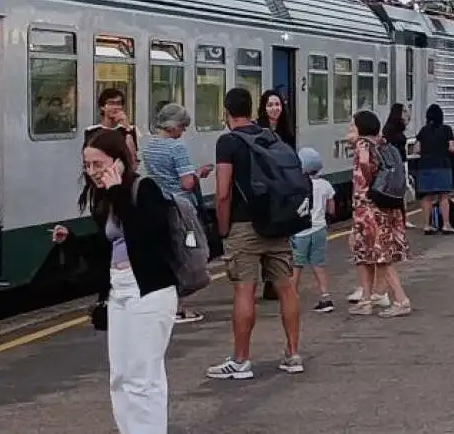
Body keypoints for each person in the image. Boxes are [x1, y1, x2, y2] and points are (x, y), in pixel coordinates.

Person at [52, 128, 178, 434]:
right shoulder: (105, 197)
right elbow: (105, 247)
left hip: (149, 291)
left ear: (119, 161)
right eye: (87, 165)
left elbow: (149, 238)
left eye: (99, 164)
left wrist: (118, 192)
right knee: (120, 377)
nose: (92, 172)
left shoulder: (143, 189)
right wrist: (70, 242)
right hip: (120, 291)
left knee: (143, 376)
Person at [206, 88, 303, 380]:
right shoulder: (270, 137)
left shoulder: (228, 142)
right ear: (251, 109)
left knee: (244, 290)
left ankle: (241, 359)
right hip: (277, 223)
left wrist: (223, 228)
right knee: (286, 288)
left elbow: (223, 193)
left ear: (226, 112)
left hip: (244, 226)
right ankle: (293, 353)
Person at [143, 103, 214, 324]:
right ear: (172, 126)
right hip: (181, 211)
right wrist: (198, 173)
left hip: (157, 207)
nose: (183, 131)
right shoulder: (176, 147)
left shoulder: (148, 146)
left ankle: (168, 306)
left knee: (168, 256)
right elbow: (185, 183)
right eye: (182, 127)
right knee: (187, 255)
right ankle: (178, 308)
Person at [348, 110, 412, 318]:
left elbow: (363, 174)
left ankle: (401, 300)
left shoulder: (363, 146)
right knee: (368, 256)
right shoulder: (383, 144)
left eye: (352, 126)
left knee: (380, 256)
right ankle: (366, 300)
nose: (349, 129)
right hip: (386, 206)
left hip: (369, 210)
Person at [256, 89, 295, 301]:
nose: (274, 109)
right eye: (270, 105)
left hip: (283, 193)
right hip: (266, 191)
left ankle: (275, 282)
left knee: (280, 239)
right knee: (266, 238)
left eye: (278, 104)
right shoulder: (258, 132)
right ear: (263, 108)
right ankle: (269, 282)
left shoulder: (286, 132)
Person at [291, 147, 336, 313]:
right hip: (320, 230)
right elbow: (331, 208)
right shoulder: (325, 184)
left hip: (301, 233)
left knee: (296, 266)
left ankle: (292, 299)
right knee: (318, 265)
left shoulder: (297, 185)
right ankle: (326, 297)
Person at [415, 104, 454, 235]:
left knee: (427, 196)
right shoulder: (446, 129)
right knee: (443, 196)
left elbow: (417, 149)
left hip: (425, 166)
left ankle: (427, 225)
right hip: (442, 165)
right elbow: (452, 148)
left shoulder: (423, 130)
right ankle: (446, 224)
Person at [85, 88, 138, 170]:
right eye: (111, 103)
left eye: (118, 103)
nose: (115, 107)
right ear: (102, 107)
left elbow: (132, 160)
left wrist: (127, 128)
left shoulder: (129, 130)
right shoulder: (92, 131)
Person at [382, 103, 415, 229]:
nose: (407, 114)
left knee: (400, 190)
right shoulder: (394, 129)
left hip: (397, 162)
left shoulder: (390, 128)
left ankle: (399, 218)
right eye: (404, 111)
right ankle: (401, 219)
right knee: (401, 190)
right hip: (398, 162)